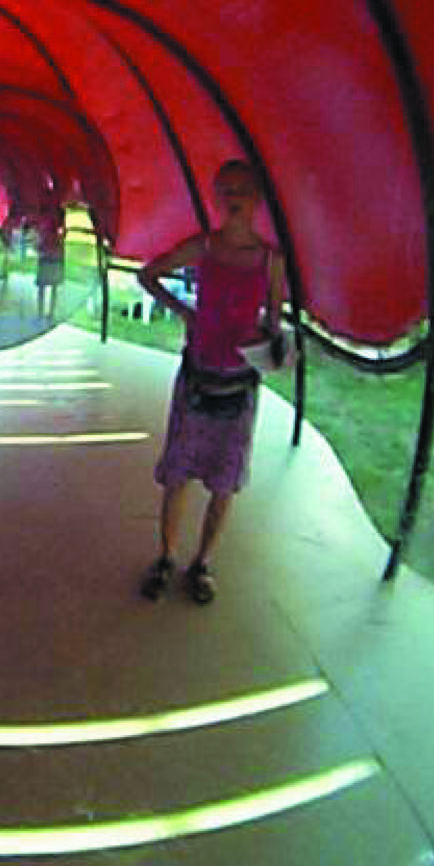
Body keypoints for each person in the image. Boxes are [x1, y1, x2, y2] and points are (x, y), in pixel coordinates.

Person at [135, 160, 289, 604]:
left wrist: (270, 343)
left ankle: (201, 562)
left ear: (257, 197)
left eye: (242, 189)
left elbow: (274, 325)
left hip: (238, 384)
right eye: (225, 190)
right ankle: (166, 556)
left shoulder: (271, 260)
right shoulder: (203, 246)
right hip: (198, 376)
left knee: (225, 481)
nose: (233, 198)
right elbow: (148, 274)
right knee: (178, 474)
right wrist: (185, 312)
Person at [34, 211, 66, 319]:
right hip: (52, 251)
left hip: (50, 251)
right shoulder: (54, 211)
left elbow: (62, 231)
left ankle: (43, 312)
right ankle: (46, 312)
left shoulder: (45, 211)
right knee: (51, 285)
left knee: (47, 285)